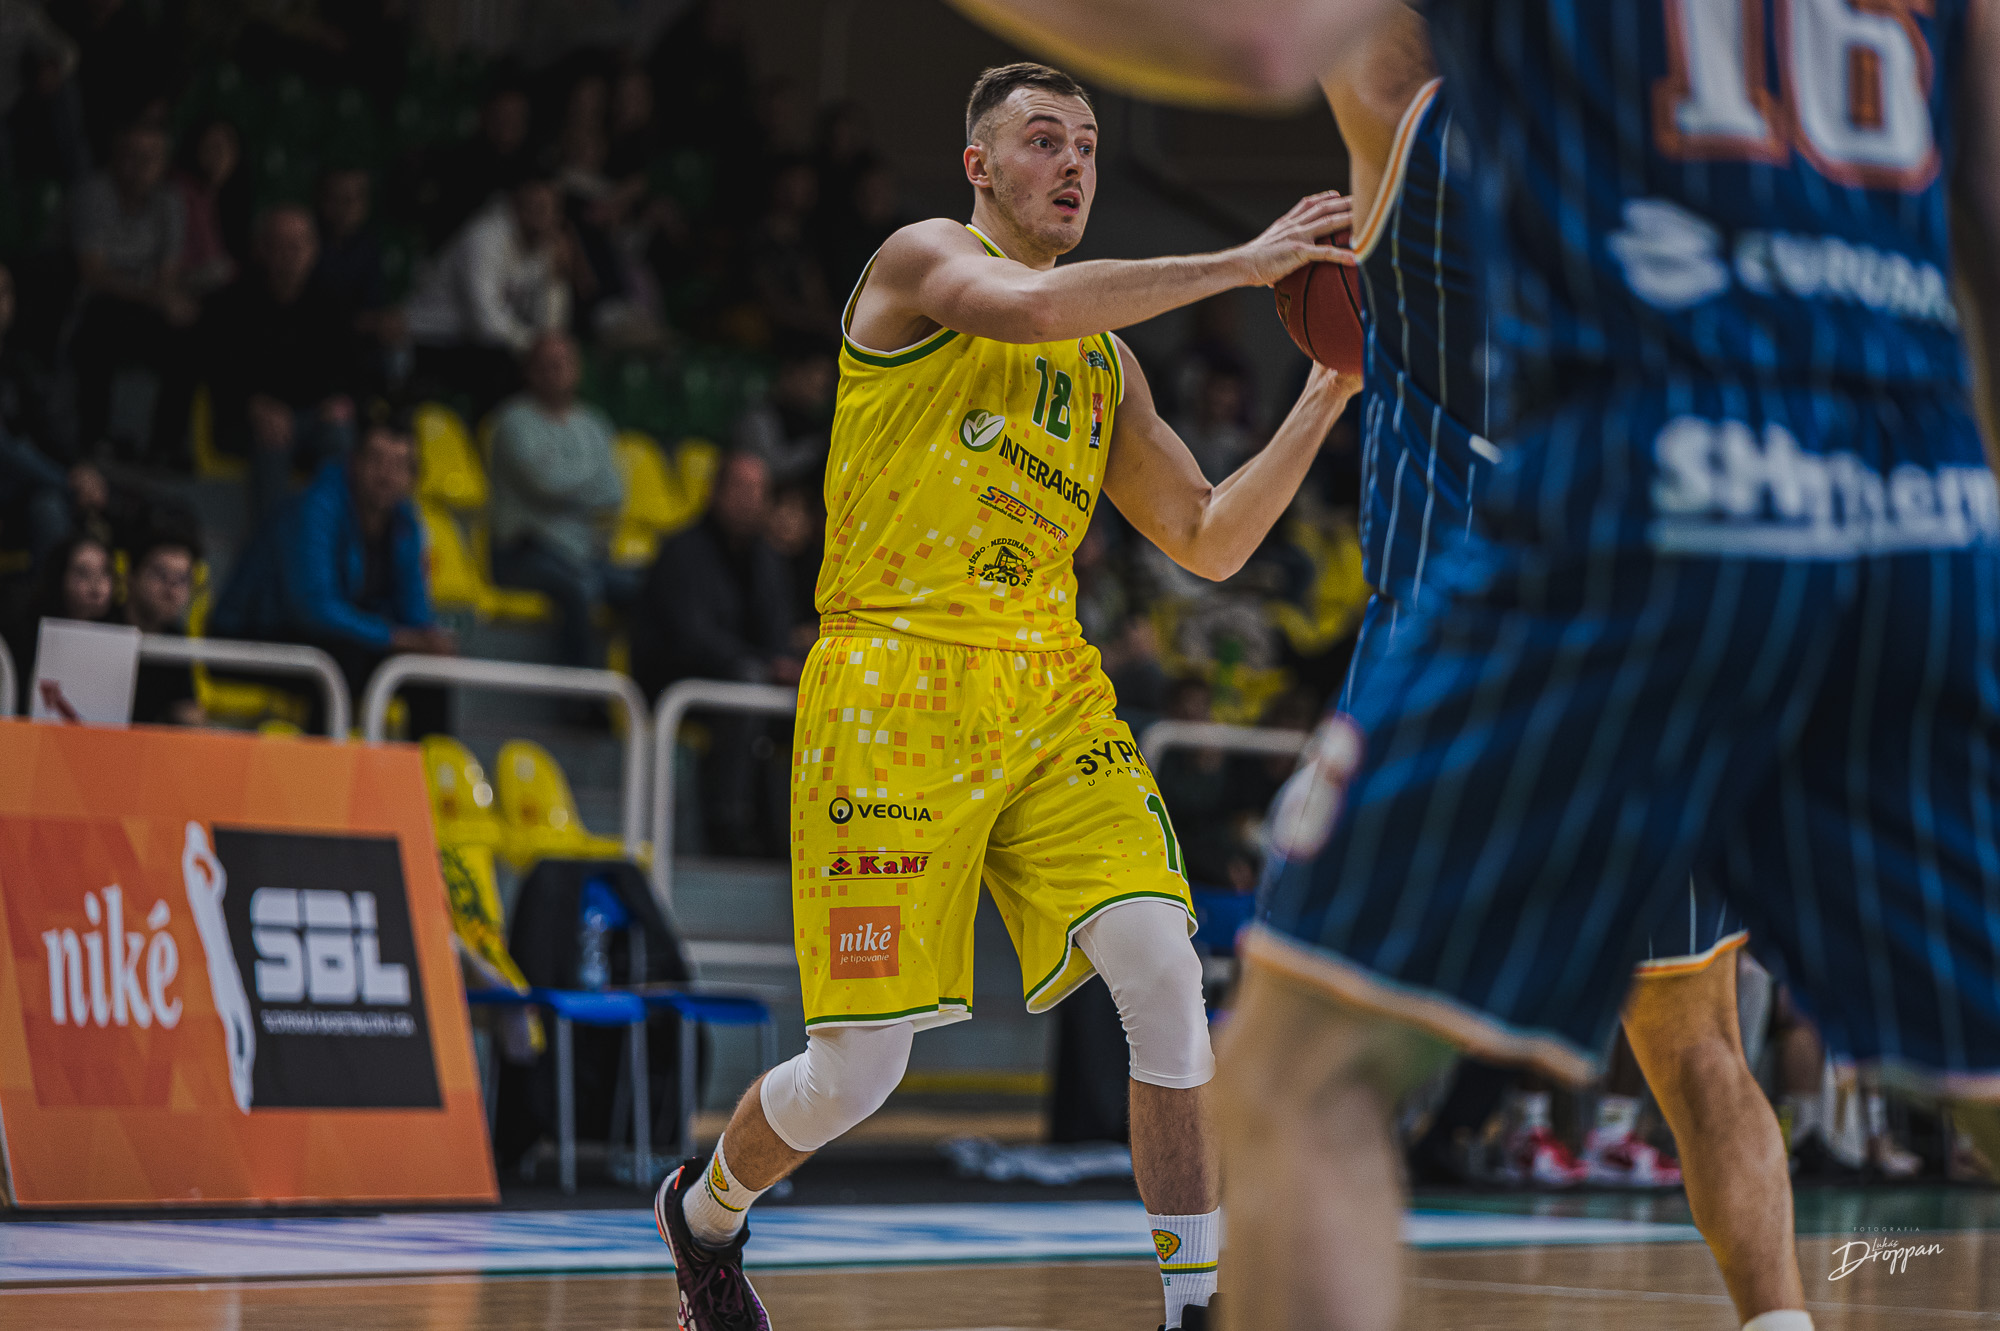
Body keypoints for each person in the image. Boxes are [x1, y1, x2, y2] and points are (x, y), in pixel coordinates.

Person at [945, 3, 2000, 1331]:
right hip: (1890, 544)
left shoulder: (1444, 69)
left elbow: (1258, 42)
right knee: (1738, 1048)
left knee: (1298, 1064)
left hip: (1547, 590)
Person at [650, 61, 1357, 1331]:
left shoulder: (1108, 368)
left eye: (1086, 144)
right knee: (857, 1073)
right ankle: (704, 1213)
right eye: (1042, 140)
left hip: (1047, 692)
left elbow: (1207, 535)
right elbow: (1020, 309)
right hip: (891, 683)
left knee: (1163, 967)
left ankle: (1195, 1305)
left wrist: (1326, 389)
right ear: (978, 165)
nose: (1072, 162)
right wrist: (1243, 265)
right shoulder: (920, 260)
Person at [209, 412, 454, 735]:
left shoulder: (405, 523)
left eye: (399, 465)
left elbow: (413, 610)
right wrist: (392, 637)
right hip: (249, 637)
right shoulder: (315, 506)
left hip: (334, 644)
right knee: (340, 661)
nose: (387, 474)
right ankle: (326, 765)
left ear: (412, 476)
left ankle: (427, 765)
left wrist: (428, 638)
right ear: (354, 462)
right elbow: (312, 608)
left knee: (427, 671)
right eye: (377, 460)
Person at [632, 450, 796, 857]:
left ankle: (797, 831)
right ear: (714, 492)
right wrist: (764, 665)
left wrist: (784, 664)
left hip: (744, 677)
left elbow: (777, 631)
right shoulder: (682, 551)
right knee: (747, 685)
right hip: (675, 681)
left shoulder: (767, 559)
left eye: (759, 491)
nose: (749, 499)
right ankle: (726, 822)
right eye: (740, 487)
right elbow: (690, 637)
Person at [201, 204, 358, 520]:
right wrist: (255, 404)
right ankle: (270, 539)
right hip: (254, 417)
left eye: (297, 246)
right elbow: (221, 372)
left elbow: (354, 369)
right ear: (262, 250)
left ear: (314, 250)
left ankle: (330, 531)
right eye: (279, 246)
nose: (289, 256)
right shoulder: (233, 302)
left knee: (339, 434)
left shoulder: (334, 300)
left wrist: (340, 400)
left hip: (315, 415)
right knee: (272, 437)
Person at [487, 331, 627, 669]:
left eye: (564, 363)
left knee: (642, 587)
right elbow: (547, 484)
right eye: (547, 365)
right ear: (530, 372)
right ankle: (580, 694)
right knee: (579, 587)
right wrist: (591, 477)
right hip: (524, 553)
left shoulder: (594, 423)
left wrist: (567, 481)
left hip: (584, 554)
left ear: (578, 369)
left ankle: (639, 689)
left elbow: (614, 491)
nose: (556, 372)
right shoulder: (513, 422)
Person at [68, 120, 196, 461]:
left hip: (145, 305)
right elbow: (94, 274)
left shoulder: (169, 201)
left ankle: (165, 445)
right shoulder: (93, 194)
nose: (141, 165)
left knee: (189, 333)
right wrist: (155, 295)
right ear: (116, 156)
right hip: (96, 305)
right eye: (133, 155)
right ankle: (94, 438)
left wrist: (168, 300)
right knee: (100, 326)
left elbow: (168, 273)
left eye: (151, 156)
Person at [406, 174, 572, 422]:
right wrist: (536, 347)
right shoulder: (483, 237)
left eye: (551, 209)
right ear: (516, 206)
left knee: (554, 364)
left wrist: (557, 278)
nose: (544, 217)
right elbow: (484, 324)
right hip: (433, 338)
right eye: (536, 207)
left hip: (483, 346)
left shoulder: (544, 246)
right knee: (504, 364)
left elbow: (550, 326)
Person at [3, 531, 112, 711]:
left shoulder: (120, 631)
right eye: (82, 573)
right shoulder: (25, 633)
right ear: (60, 576)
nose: (96, 585)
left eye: (104, 572)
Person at [120, 523, 203, 726]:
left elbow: (187, 714)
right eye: (160, 574)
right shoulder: (100, 629)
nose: (171, 590)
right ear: (131, 575)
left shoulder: (174, 638)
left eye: (182, 579)